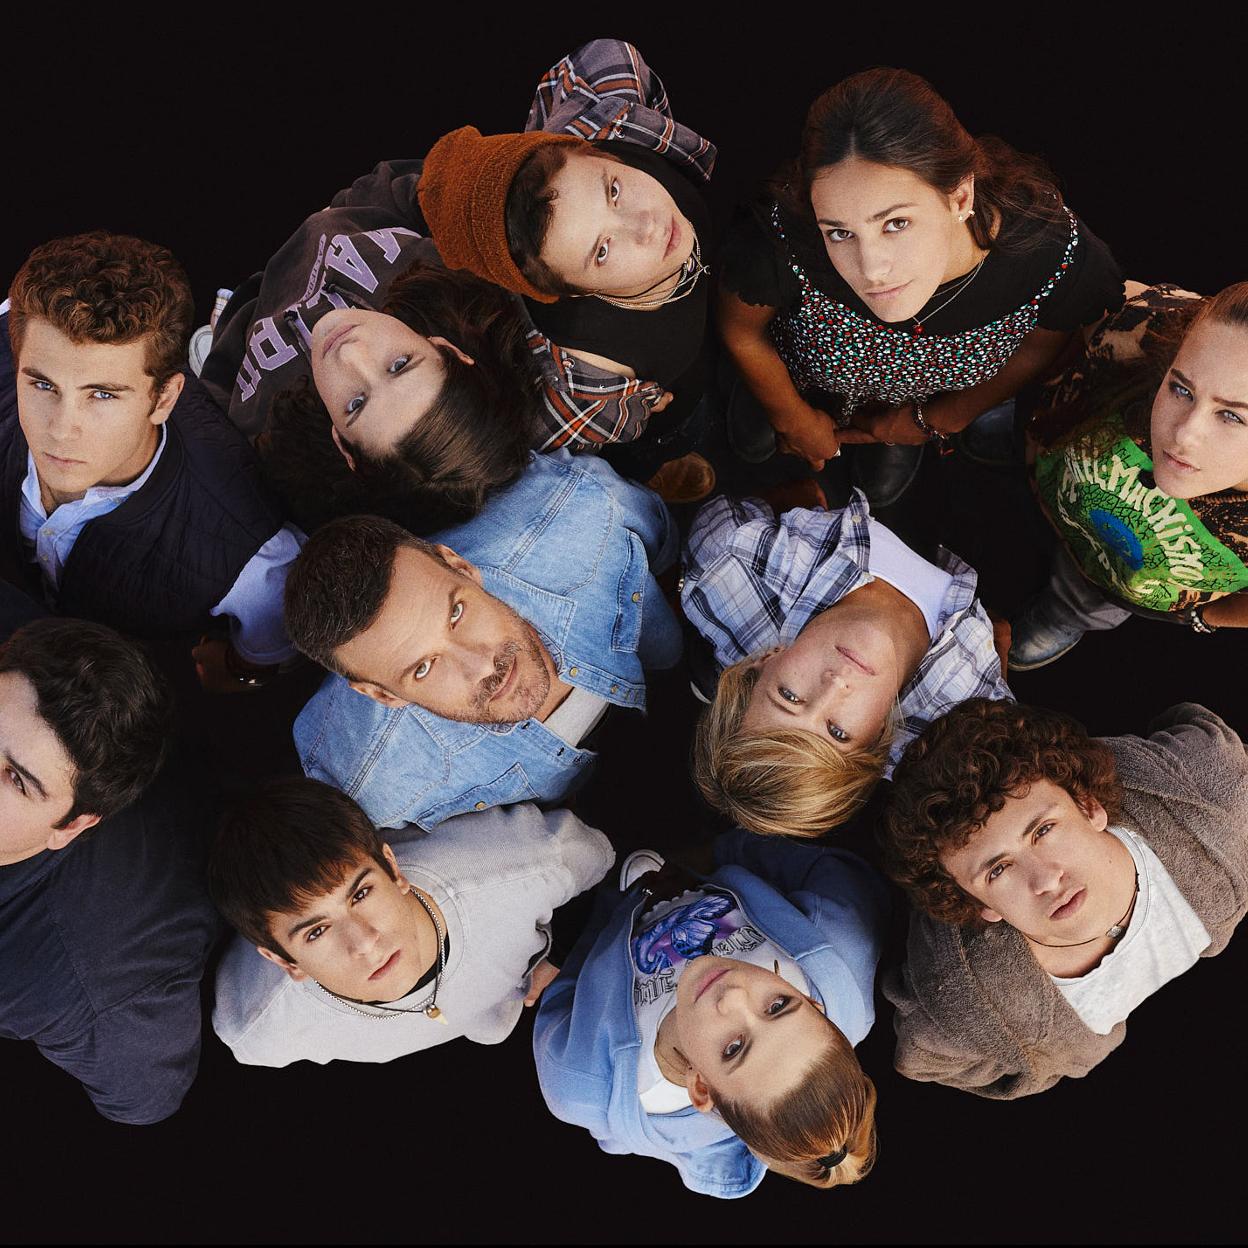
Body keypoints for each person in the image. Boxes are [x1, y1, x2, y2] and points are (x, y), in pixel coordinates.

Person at [717, 67, 1123, 506]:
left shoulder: (1048, 252)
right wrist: (791, 416)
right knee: (753, 437)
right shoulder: (787, 237)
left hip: (916, 407)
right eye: (840, 232)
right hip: (799, 382)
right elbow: (742, 330)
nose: (872, 269)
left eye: (896, 223)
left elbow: (1040, 347)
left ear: (960, 198)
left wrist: (936, 419)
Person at [287, 449, 681, 828]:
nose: (482, 667)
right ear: (383, 695)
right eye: (423, 668)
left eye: (456, 614)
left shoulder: (581, 511)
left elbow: (666, 544)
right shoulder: (373, 785)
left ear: (460, 566)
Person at [878, 697, 1248, 1099]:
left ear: (1089, 807)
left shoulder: (1207, 805)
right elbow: (923, 1059)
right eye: (998, 870)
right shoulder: (965, 999)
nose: (1046, 880)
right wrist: (1046, 1062)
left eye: (1043, 830)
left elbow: (1203, 735)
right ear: (980, 905)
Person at [1, 232, 303, 691]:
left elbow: (261, 658)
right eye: (43, 385)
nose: (61, 429)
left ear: (164, 399)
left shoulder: (253, 554)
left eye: (102, 395)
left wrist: (234, 670)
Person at [417, 37, 718, 494]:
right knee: (670, 437)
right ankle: (659, 469)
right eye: (602, 251)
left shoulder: (615, 128)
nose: (646, 225)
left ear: (597, 151)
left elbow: (607, 55)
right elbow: (529, 447)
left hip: (715, 296)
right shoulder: (584, 378)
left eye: (613, 191)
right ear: (572, 290)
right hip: (675, 401)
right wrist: (637, 403)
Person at [532, 828, 889, 1198]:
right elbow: (837, 871)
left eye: (733, 1048)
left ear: (701, 1086)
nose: (733, 997)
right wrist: (722, 851)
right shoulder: (838, 948)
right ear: (814, 1004)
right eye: (778, 1006)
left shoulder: (584, 1080)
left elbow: (565, 998)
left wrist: (586, 929)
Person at [201, 171, 541, 533]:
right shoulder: (445, 273)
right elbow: (421, 192)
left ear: (342, 445)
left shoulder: (266, 424)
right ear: (447, 349)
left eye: (356, 404)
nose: (350, 355)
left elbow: (216, 385)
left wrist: (231, 319)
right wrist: (350, 203)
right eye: (399, 365)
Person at [210, 777, 612, 1066]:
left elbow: (602, 858)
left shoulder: (526, 864)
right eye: (316, 931)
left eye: (360, 894)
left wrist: (565, 948)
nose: (364, 942)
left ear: (391, 867)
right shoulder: (261, 1027)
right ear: (284, 961)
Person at [0, 599, 221, 1122]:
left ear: (70, 827)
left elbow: (145, 1101)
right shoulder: (23, 654)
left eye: (16, 781)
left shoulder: (84, 987)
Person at [683, 489, 1010, 839]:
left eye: (789, 696)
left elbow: (723, 513)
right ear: (879, 741)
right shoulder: (970, 704)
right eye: (837, 732)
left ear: (763, 661)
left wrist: (793, 495)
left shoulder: (729, 564)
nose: (836, 684)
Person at [1011, 282, 1248, 668]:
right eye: (1181, 389)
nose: (1184, 435)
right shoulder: (1142, 330)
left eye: (1232, 416)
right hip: (1049, 485)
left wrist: (1201, 616)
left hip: (1115, 583)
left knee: (1084, 598)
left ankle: (1064, 613)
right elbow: (1064, 335)